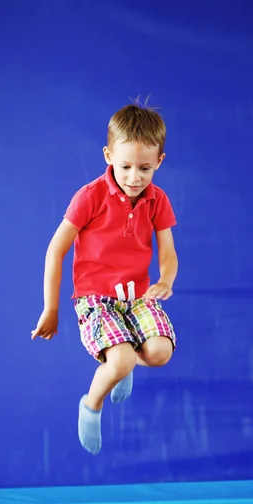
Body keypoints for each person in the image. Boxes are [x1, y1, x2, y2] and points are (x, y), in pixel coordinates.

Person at [32, 101, 178, 455]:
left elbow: (169, 253)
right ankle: (92, 403)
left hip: (137, 297)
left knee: (160, 352)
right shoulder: (91, 196)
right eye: (125, 166)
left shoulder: (157, 200)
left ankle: (120, 362)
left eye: (144, 168)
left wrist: (165, 280)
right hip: (96, 299)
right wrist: (51, 309)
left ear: (159, 161)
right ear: (108, 155)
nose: (134, 177)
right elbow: (56, 250)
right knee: (123, 359)